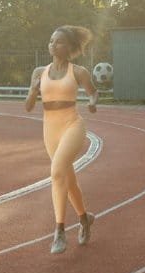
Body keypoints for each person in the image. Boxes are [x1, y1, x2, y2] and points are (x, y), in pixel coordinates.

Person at [25, 25, 99, 254]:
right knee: (69, 180)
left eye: (58, 41)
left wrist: (93, 102)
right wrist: (34, 90)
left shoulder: (78, 72)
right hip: (50, 129)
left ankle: (59, 230)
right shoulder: (39, 72)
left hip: (72, 125)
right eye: (51, 41)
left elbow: (93, 91)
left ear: (69, 47)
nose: (53, 45)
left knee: (57, 172)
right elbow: (28, 107)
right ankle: (85, 218)